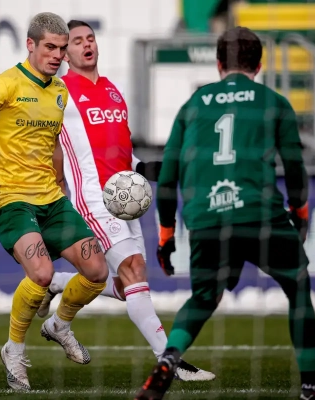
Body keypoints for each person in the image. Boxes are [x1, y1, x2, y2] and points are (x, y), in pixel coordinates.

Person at [135, 27, 315, 400]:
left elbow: (169, 176)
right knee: (298, 286)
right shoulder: (274, 102)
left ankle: (169, 359)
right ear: (259, 64)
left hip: (206, 217)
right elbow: (294, 167)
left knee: (203, 298)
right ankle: (309, 386)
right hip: (260, 214)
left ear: (218, 63)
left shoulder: (193, 105)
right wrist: (300, 212)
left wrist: (165, 236)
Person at [35, 20, 215, 382]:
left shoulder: (113, 91)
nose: (86, 45)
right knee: (132, 267)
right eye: (77, 41)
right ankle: (170, 361)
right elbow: (43, 140)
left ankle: (57, 292)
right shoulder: (59, 93)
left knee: (125, 284)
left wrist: (147, 168)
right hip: (94, 198)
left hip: (126, 199)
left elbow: (121, 151)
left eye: (90, 38)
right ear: (65, 53)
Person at [0, 12, 109, 392]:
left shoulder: (59, 91)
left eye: (62, 49)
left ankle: (59, 325)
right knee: (41, 274)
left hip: (51, 199)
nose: (58, 55)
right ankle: (14, 349)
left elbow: (53, 144)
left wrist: (61, 185)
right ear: (31, 45)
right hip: (11, 199)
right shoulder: (4, 84)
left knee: (97, 271)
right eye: (50, 47)